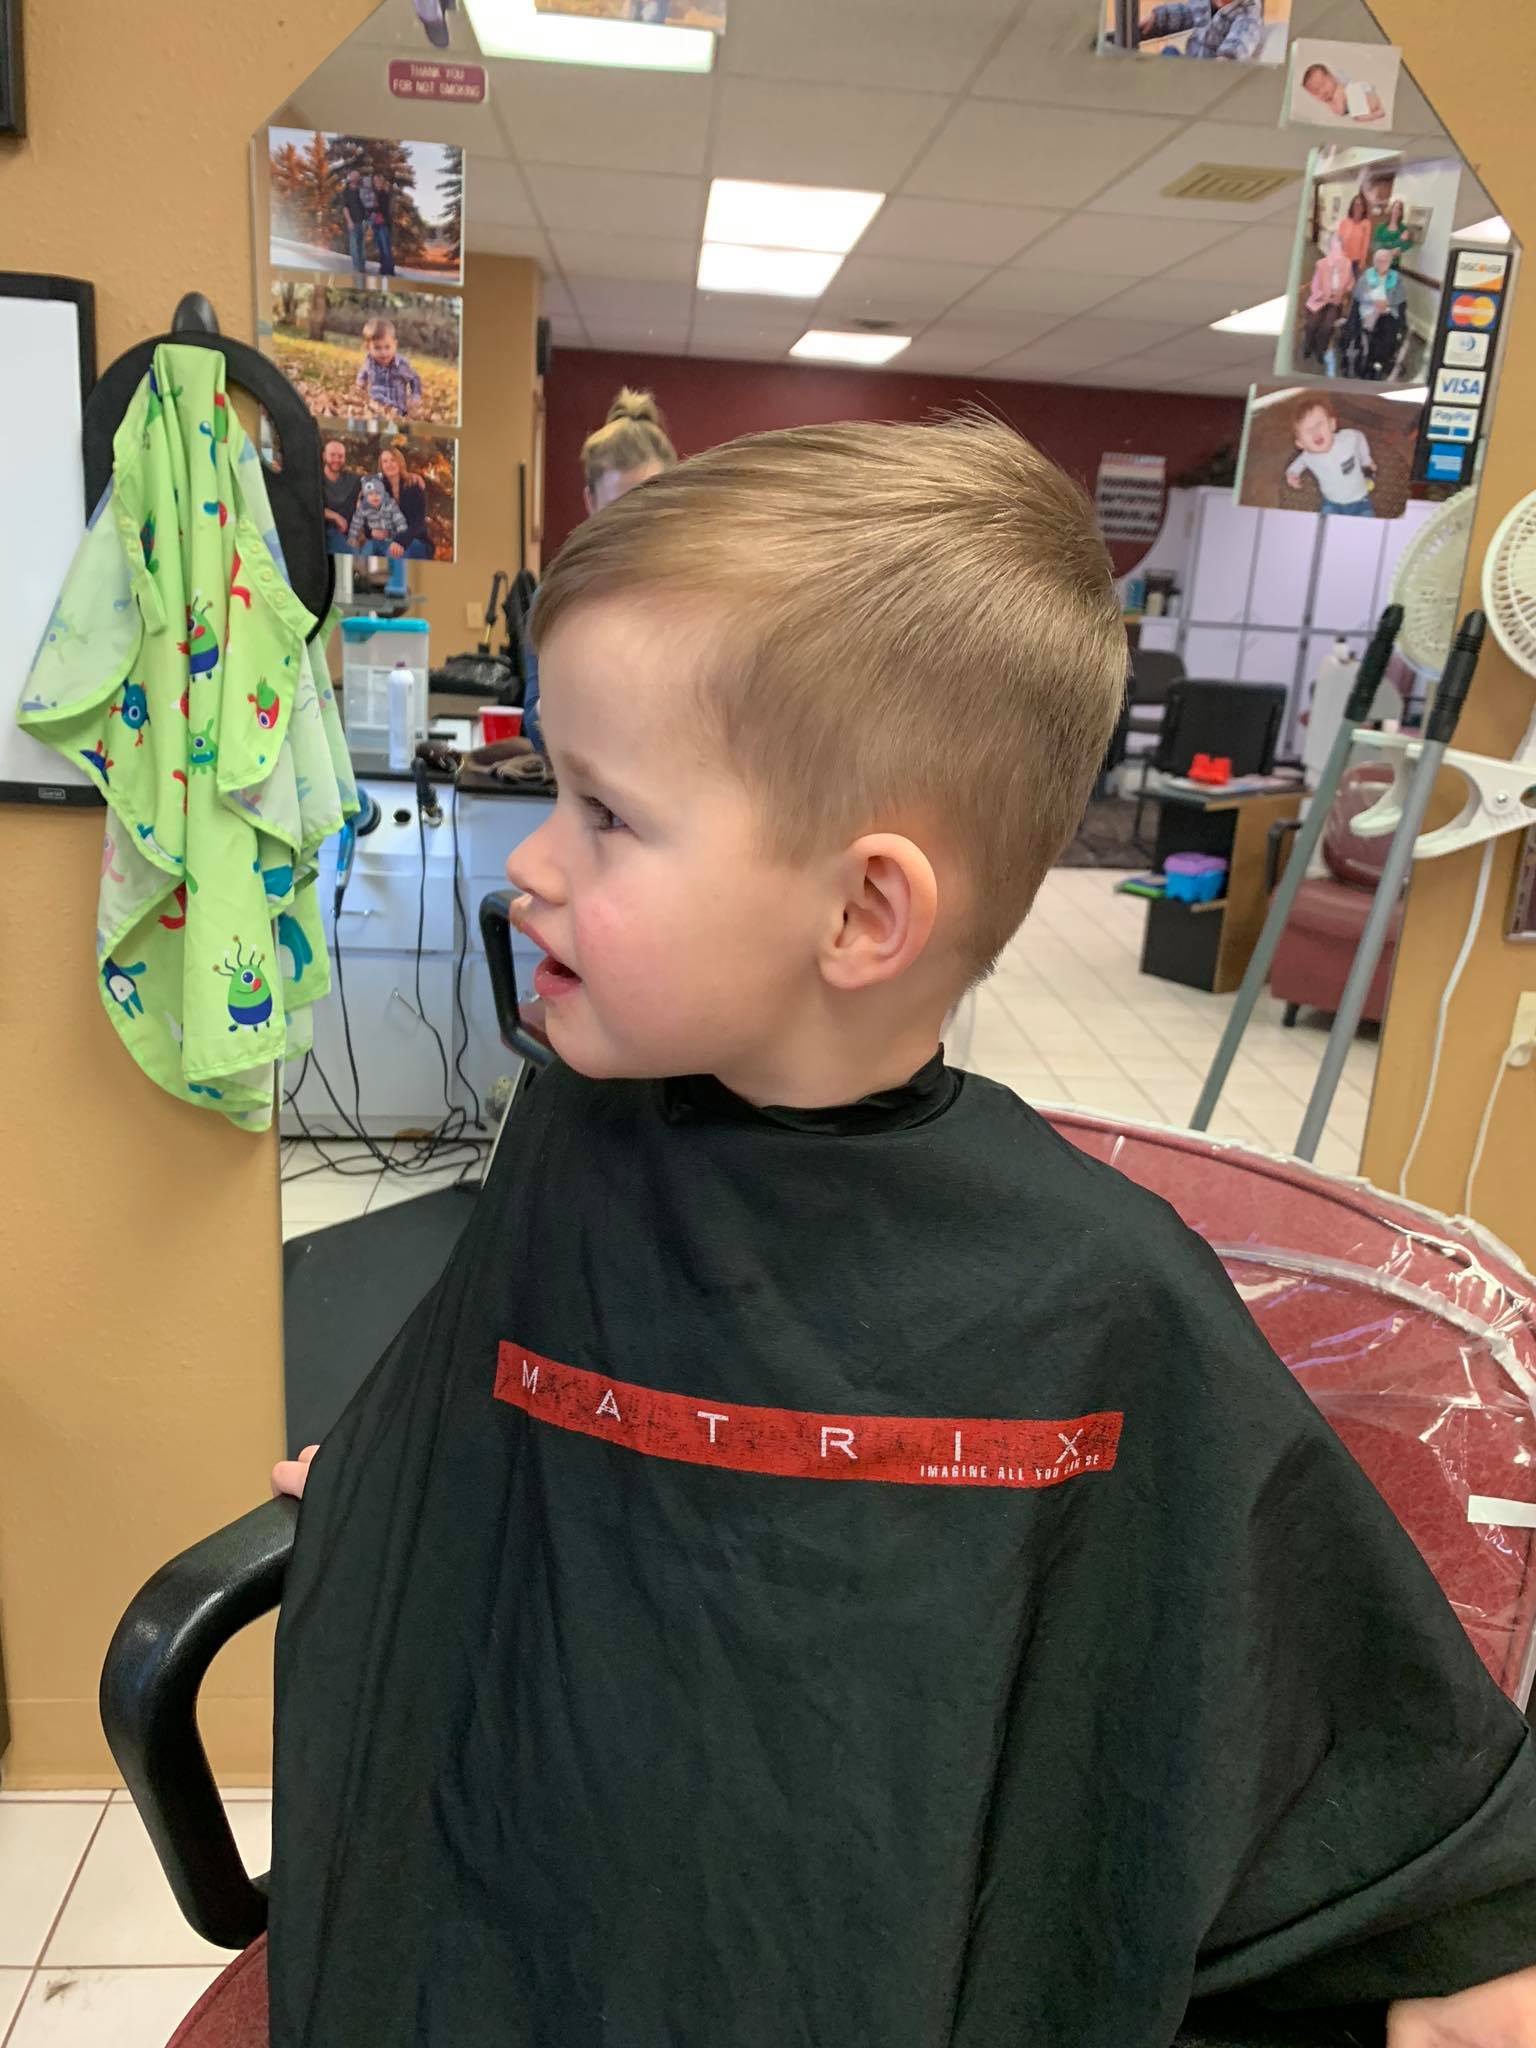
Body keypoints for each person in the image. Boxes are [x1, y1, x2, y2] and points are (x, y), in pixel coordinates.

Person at [269, 414, 1536, 2048]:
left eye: (605, 814)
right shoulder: (578, 1134)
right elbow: (510, 1411)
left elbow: (1312, 1697)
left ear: (865, 910)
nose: (533, 864)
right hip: (538, 1894)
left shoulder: (1099, 1295)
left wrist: (1463, 1951)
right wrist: (421, 1473)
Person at [522, 386, 677, 757]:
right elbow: (535, 722)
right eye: (619, 508)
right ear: (590, 502)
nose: (634, 523)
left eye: (648, 505)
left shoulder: (697, 592)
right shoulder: (558, 599)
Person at [1286, 396, 1377, 516]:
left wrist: (1366, 460)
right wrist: (1292, 474)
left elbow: (1360, 438)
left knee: (1368, 525)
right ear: (1301, 444)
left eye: (1319, 424)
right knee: (1325, 525)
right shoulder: (1307, 456)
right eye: (1308, 431)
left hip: (1360, 498)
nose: (1315, 432)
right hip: (1331, 502)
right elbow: (1296, 466)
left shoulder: (1348, 439)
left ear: (1332, 424)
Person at [1134, 0, 1264, 61]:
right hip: (1193, 64)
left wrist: (1227, 58)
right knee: (1169, 53)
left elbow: (1241, 38)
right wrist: (1158, 18)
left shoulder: (1248, 14)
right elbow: (1186, 13)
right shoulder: (1205, 3)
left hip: (1213, 77)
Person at [1351, 242, 1408, 377]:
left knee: (1389, 332)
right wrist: (1373, 301)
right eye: (1379, 260)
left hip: (1388, 310)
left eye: (1385, 260)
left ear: (1390, 262)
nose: (1382, 263)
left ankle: (1380, 360)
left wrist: (1388, 302)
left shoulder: (1396, 277)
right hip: (1369, 309)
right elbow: (1358, 294)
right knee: (1370, 331)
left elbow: (1401, 296)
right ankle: (1371, 361)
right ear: (1374, 262)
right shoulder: (1366, 276)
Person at [1300, 230, 1353, 367]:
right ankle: (1308, 346)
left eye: (1339, 246)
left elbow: (1350, 283)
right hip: (1320, 299)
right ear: (1330, 248)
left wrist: (1342, 294)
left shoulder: (1347, 264)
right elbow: (1315, 285)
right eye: (1334, 246)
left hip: (1335, 302)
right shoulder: (1322, 264)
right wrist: (1324, 295)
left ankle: (1320, 351)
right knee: (1312, 323)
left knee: (1327, 326)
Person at [354, 315, 423, 417]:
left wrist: (415, 395)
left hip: (397, 411)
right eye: (377, 348)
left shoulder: (402, 364)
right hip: (375, 409)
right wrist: (360, 385)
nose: (383, 353)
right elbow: (362, 376)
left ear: (395, 345)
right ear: (368, 348)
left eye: (387, 347)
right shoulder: (369, 363)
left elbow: (415, 378)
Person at [376, 442, 432, 559]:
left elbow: (418, 522)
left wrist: (401, 541)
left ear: (400, 463)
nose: (389, 464)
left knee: (394, 554)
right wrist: (372, 531)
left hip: (413, 539)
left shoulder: (414, 486)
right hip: (386, 539)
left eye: (393, 460)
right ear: (381, 466)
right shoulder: (378, 487)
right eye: (385, 461)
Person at [1300, 60, 1385, 121]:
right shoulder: (1339, 88)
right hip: (1367, 96)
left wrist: (1329, 103)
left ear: (1331, 77)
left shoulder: (1338, 91)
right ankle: (1377, 109)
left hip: (1365, 97)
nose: (1322, 91)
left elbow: (1340, 112)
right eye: (1316, 91)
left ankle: (1377, 114)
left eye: (1323, 84)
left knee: (1358, 117)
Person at [347, 472, 408, 554]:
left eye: (378, 493)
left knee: (392, 553)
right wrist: (352, 537)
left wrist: (399, 539)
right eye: (370, 494)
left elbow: (400, 522)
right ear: (365, 496)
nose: (374, 496)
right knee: (366, 552)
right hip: (372, 540)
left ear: (383, 493)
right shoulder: (363, 508)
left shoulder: (390, 505)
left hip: (390, 540)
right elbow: (356, 522)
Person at [320, 436, 360, 555]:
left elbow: (375, 486)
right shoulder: (315, 479)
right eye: (332, 455)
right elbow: (308, 505)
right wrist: (335, 516)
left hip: (347, 534)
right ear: (324, 456)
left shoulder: (352, 480)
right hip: (322, 531)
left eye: (340, 456)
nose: (337, 459)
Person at [339, 171, 369, 286]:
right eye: (353, 176)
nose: (355, 178)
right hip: (353, 222)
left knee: (361, 246)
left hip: (362, 222)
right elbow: (345, 208)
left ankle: (362, 268)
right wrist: (349, 221)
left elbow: (366, 205)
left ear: (358, 178)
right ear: (350, 177)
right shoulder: (346, 191)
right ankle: (356, 268)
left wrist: (367, 220)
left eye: (357, 176)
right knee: (353, 246)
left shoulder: (362, 189)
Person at [1337, 189, 1373, 276]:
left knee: (1354, 282)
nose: (1358, 207)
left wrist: (1362, 261)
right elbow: (1338, 241)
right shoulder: (1344, 222)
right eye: (1356, 204)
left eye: (1360, 205)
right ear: (1352, 206)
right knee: (1341, 281)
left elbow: (1365, 244)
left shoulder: (1366, 223)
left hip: (1356, 261)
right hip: (1343, 259)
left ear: (1364, 208)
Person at [369, 167, 396, 279]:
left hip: (384, 223)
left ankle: (389, 269)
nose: (376, 183)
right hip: (376, 223)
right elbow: (375, 208)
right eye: (375, 181)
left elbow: (385, 209)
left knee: (385, 247)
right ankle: (383, 268)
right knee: (380, 246)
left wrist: (376, 208)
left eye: (378, 180)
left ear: (382, 181)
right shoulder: (376, 193)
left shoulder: (385, 192)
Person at [1373, 195, 1419, 261]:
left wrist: (1400, 249)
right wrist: (1399, 241)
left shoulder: (1403, 229)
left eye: (1399, 209)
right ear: (1391, 209)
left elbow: (1410, 243)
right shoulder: (1381, 227)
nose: (1396, 211)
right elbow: (1375, 245)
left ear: (1401, 213)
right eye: (1395, 208)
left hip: (1394, 262)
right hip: (1381, 261)